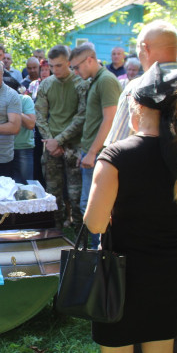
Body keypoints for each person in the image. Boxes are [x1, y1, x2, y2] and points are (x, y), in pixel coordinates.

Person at [104, 20, 177, 353]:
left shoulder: (138, 89)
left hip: (141, 205)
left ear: (144, 49)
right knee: (175, 284)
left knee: (133, 285)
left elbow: (115, 150)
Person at [84, 63, 177, 353]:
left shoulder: (116, 155)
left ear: (135, 104)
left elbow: (94, 222)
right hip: (168, 268)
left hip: (120, 272)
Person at [69, 43, 120, 248]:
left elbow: (110, 119)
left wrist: (91, 152)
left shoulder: (106, 80)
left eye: (76, 67)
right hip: (91, 152)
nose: (75, 72)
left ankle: (99, 252)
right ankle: (94, 251)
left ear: (90, 60)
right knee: (88, 206)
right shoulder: (96, 80)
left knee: (95, 208)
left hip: (100, 154)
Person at [35, 45, 88, 229]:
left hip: (74, 145)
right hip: (51, 145)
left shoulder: (81, 84)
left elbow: (81, 117)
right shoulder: (46, 84)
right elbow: (40, 116)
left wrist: (59, 140)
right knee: (52, 193)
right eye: (51, 66)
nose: (54, 70)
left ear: (68, 62)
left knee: (76, 194)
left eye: (59, 65)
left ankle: (79, 232)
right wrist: (51, 141)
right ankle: (56, 229)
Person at [8, 83, 36, 184]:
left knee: (25, 185)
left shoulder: (24, 100)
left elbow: (31, 124)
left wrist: (13, 108)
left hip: (22, 149)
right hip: (1, 150)